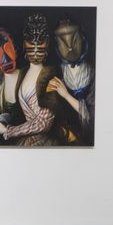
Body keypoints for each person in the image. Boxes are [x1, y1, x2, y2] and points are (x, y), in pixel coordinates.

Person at [0, 13, 61, 147]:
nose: (35, 52)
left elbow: (44, 123)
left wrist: (8, 131)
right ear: (24, 45)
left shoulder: (50, 76)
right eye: (31, 48)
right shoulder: (22, 73)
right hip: (27, 140)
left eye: (40, 49)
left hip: (46, 142)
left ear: (47, 46)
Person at [47, 15, 94, 145]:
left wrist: (66, 95)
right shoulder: (56, 73)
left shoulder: (93, 71)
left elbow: (92, 116)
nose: (70, 48)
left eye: (74, 40)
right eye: (63, 42)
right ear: (57, 44)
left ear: (82, 38)